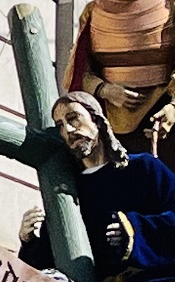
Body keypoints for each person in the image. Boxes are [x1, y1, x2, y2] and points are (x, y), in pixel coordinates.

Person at [18, 91, 175, 282]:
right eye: (61, 126)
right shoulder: (69, 193)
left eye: (73, 119)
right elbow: (47, 262)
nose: (68, 131)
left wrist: (133, 230)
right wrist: (28, 241)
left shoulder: (144, 168)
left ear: (98, 122)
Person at [63, 0, 175, 170]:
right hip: (113, 125)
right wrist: (103, 89)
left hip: (164, 118)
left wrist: (173, 107)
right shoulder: (93, 12)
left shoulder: (170, 6)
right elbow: (79, 73)